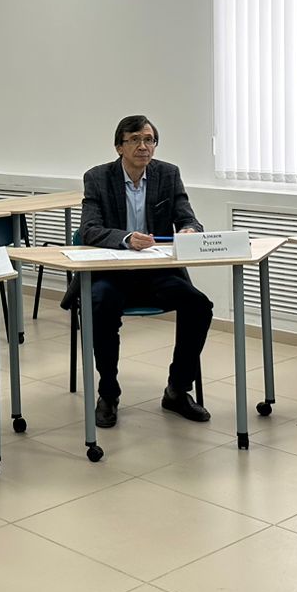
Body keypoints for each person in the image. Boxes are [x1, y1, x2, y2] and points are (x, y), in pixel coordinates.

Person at [79, 114, 214, 428]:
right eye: (135, 140)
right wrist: (126, 238)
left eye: (149, 140)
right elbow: (89, 229)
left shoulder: (168, 174)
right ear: (119, 146)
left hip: (156, 273)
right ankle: (108, 393)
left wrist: (190, 231)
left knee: (198, 305)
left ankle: (177, 390)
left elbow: (188, 218)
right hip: (113, 273)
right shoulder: (97, 178)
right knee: (100, 304)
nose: (144, 146)